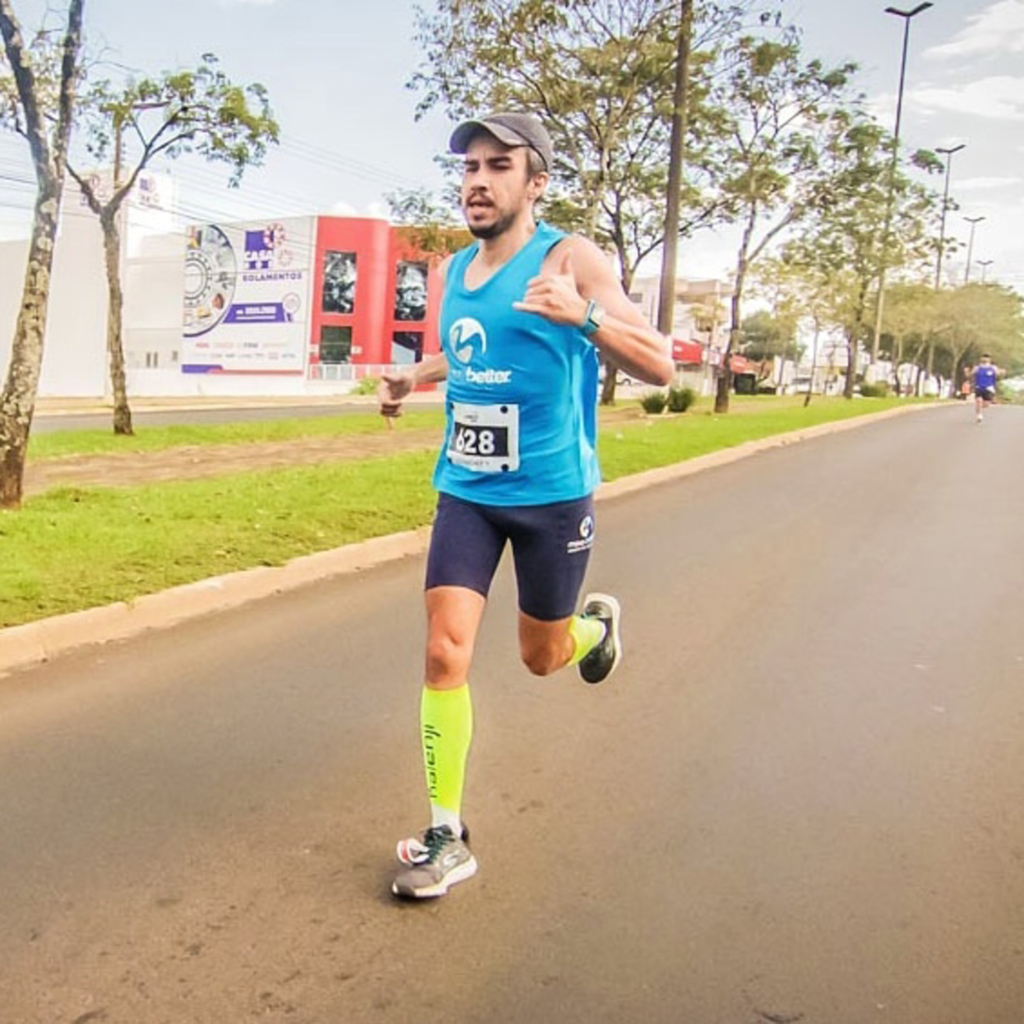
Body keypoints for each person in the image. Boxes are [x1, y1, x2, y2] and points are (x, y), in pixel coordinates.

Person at [377, 112, 673, 899]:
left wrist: (587, 315)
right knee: (445, 654)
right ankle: (447, 833)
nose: (477, 179)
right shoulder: (456, 273)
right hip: (467, 492)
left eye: (497, 165)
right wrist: (418, 377)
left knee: (541, 658)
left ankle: (593, 630)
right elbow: (477, 349)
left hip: (550, 499)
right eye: (469, 166)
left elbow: (662, 365)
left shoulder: (571, 258)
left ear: (534, 183)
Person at [972, 354, 998, 423]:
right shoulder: (977, 368)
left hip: (989, 388)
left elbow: (997, 375)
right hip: (979, 387)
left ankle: (979, 408)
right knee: (979, 400)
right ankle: (979, 415)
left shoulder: (993, 368)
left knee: (986, 404)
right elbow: (972, 374)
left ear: (990, 360)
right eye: (983, 358)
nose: (985, 360)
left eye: (986, 359)